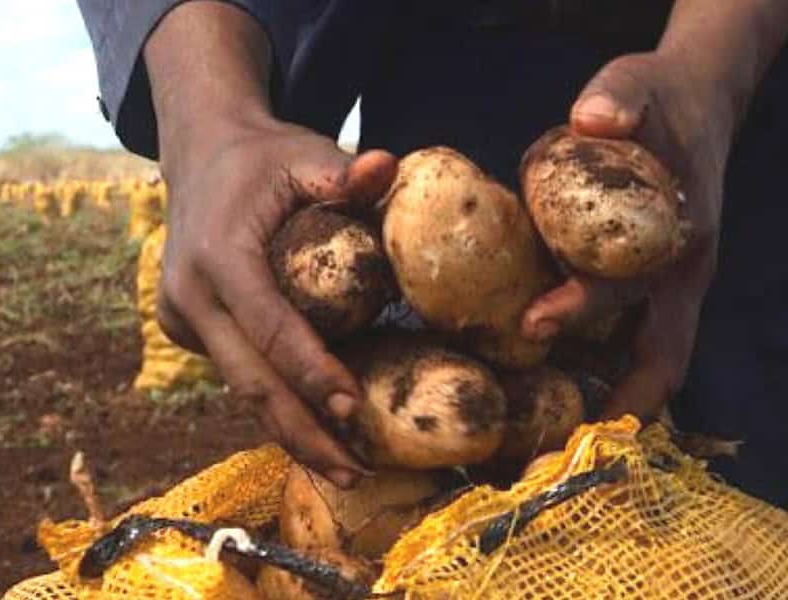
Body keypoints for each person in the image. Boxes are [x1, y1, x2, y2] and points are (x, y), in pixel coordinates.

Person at [77, 1, 788, 507]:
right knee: (451, 492)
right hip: (453, 62)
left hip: (736, 103)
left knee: (746, 459)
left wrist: (715, 71)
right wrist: (209, 117)